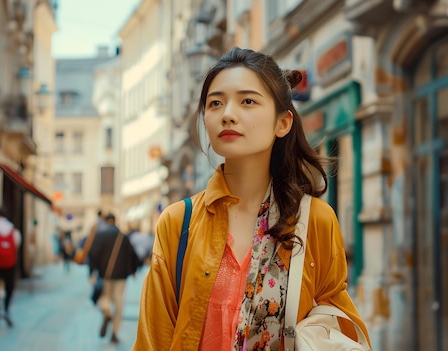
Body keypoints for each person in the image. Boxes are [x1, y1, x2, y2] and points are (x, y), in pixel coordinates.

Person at [133, 47, 371, 350]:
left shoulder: (315, 220)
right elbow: (152, 341)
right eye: (215, 103)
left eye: (247, 101)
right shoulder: (179, 222)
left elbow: (338, 327)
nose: (228, 114)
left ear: (282, 122)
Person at [87, 213, 141, 344]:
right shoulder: (123, 237)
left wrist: (92, 272)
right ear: (115, 221)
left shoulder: (100, 236)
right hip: (121, 276)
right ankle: (115, 333)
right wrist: (133, 271)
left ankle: (106, 311)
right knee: (119, 303)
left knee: (104, 297)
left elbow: (92, 254)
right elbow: (133, 255)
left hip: (105, 275)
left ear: (106, 222)